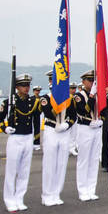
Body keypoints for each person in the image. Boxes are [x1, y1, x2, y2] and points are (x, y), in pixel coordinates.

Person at [0, 73, 40, 212]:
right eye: (23, 85)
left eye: (27, 85)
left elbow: (36, 121)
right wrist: (5, 128)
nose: (26, 88)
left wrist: (36, 140)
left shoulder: (33, 102)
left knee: (24, 171)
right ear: (16, 87)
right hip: (15, 138)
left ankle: (19, 198)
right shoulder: (9, 102)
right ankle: (9, 200)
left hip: (28, 137)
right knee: (12, 171)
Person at [40, 71, 75, 205]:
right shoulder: (45, 98)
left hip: (64, 132)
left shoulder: (68, 99)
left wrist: (67, 124)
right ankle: (47, 194)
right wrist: (59, 100)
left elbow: (73, 116)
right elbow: (49, 113)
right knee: (50, 164)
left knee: (61, 163)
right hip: (52, 130)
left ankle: (56, 193)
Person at [73, 70, 103, 201]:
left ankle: (91, 189)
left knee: (94, 159)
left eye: (93, 81)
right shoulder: (79, 96)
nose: (92, 83)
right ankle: (82, 190)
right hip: (85, 128)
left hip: (96, 128)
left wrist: (102, 120)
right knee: (84, 160)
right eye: (89, 81)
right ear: (83, 82)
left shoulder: (98, 95)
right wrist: (91, 95)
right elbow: (84, 111)